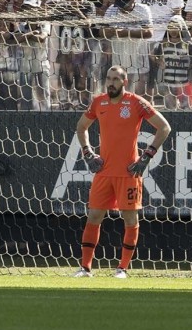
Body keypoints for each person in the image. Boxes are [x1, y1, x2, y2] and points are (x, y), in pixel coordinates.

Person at [73, 65, 172, 278]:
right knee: (94, 216)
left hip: (129, 172)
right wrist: (88, 153)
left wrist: (146, 157)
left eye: (116, 79)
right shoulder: (99, 102)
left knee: (130, 220)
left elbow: (164, 127)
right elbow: (81, 127)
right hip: (104, 172)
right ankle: (85, 268)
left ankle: (122, 268)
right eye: (108, 78)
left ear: (124, 82)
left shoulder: (136, 102)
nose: (111, 82)